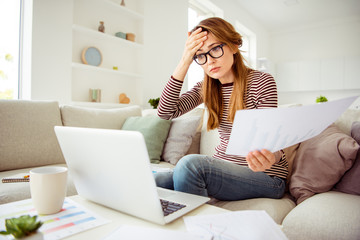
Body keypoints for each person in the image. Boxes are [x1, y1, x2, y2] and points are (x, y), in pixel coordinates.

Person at [156, 17, 288, 201]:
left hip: (266, 178)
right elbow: (165, 112)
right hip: (222, 169)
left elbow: (272, 141)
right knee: (153, 179)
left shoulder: (261, 81)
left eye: (216, 48)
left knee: (190, 165)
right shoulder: (206, 87)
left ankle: (195, 226)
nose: (209, 61)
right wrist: (185, 59)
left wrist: (270, 157)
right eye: (200, 55)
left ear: (234, 46)